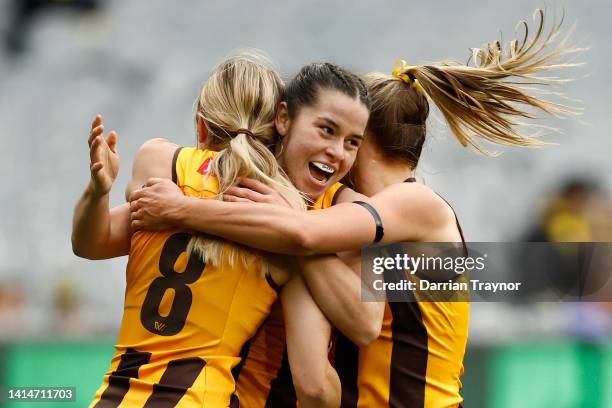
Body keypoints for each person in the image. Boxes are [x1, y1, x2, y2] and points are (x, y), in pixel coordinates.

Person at [129, 9, 581, 407]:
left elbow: (303, 236)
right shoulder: (376, 226)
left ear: (367, 145)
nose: (335, 159)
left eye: (349, 141)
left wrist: (183, 210)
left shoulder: (414, 203)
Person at [73, 53, 370, 407]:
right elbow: (321, 382)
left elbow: (88, 243)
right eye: (327, 130)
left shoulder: (164, 170)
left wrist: (108, 193)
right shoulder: (301, 219)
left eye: (352, 142)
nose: (337, 151)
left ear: (201, 127)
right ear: (280, 123)